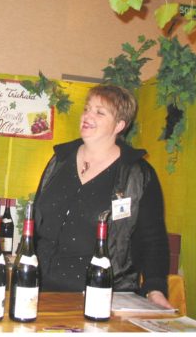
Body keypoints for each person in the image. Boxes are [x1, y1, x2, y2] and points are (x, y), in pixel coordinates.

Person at [33, 84, 173, 308]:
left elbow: (153, 239)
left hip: (105, 295)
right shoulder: (59, 161)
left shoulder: (137, 173)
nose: (88, 115)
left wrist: (155, 288)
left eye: (100, 112)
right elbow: (35, 221)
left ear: (119, 125)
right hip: (43, 292)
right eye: (87, 109)